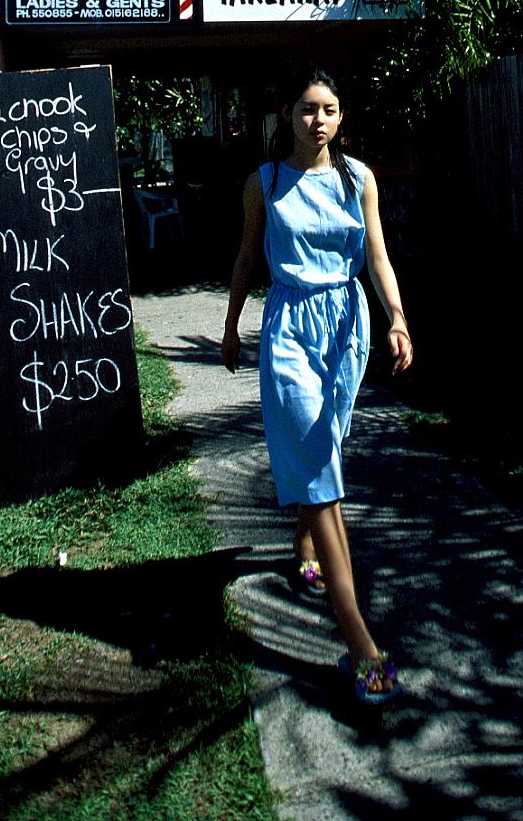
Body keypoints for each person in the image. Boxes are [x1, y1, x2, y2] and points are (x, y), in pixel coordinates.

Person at [222, 65, 413, 705]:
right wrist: (230, 328)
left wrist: (397, 317)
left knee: (325, 446)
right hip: (289, 328)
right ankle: (359, 638)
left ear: (341, 115)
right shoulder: (265, 183)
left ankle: (303, 541)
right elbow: (249, 257)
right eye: (307, 108)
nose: (319, 120)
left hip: (348, 325)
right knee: (320, 467)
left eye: (329, 108)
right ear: (287, 114)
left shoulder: (359, 179)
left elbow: (378, 255)